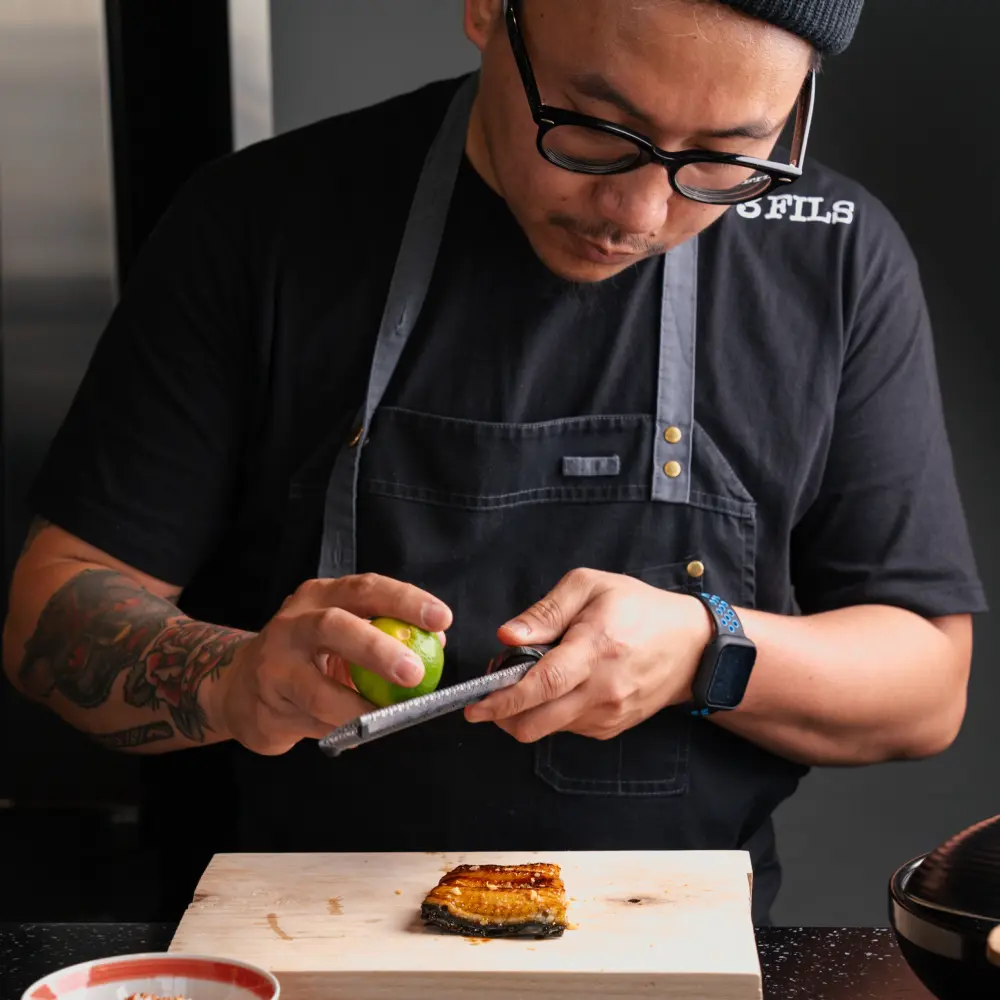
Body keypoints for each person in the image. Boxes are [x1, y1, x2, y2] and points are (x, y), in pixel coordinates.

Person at [2, 0, 985, 925]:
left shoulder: (836, 256)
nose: (639, 212)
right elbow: (52, 607)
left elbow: (924, 683)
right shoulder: (263, 222)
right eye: (597, 128)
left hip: (675, 947)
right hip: (291, 942)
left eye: (725, 159)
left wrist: (703, 645)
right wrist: (232, 675)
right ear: (489, 10)